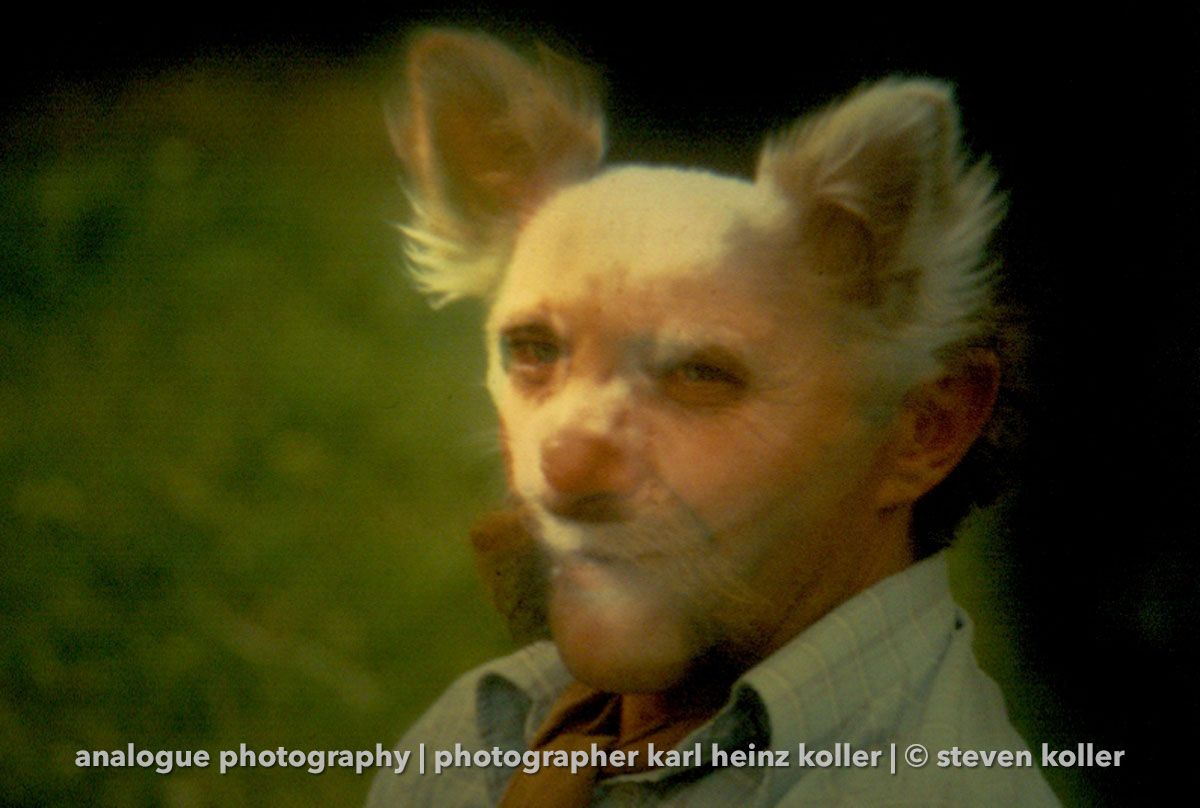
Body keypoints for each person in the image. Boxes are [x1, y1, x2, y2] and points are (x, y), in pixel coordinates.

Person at [367, 28, 1060, 807]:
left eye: (701, 375)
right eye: (534, 352)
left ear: (924, 429)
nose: (566, 454)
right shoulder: (479, 729)